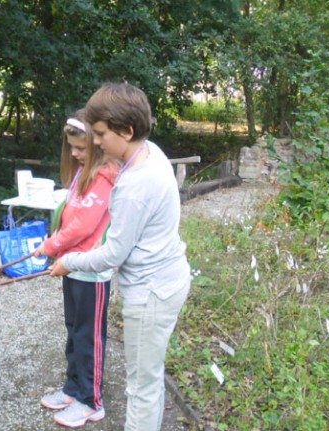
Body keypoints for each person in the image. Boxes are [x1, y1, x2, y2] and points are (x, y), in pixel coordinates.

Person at [49, 82, 191, 431]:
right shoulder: (149, 151)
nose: (95, 142)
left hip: (151, 293)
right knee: (150, 379)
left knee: (140, 387)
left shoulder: (133, 186)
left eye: (100, 134)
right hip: (167, 279)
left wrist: (69, 262)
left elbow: (111, 255)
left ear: (127, 131)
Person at [34, 110, 119, 428]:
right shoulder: (85, 173)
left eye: (81, 148)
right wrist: (55, 244)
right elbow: (70, 215)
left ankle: (91, 401)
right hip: (72, 267)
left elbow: (84, 225)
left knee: (89, 336)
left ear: (98, 145)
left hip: (91, 270)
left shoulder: (105, 176)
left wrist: (51, 245)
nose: (74, 153)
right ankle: (73, 388)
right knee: (74, 330)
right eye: (71, 147)